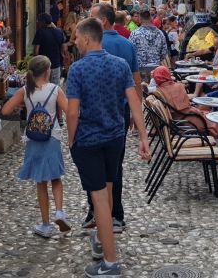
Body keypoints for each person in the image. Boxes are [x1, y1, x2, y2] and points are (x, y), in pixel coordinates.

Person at [67, 17, 151, 277]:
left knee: (100, 200)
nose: (75, 41)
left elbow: (72, 112)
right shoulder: (120, 65)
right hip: (115, 138)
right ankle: (105, 239)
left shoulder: (77, 70)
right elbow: (134, 101)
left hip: (90, 140)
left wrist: (71, 140)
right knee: (109, 190)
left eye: (76, 37)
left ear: (88, 38)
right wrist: (144, 137)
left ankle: (110, 262)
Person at [82, 3, 141, 233]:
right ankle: (116, 215)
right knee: (115, 166)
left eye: (91, 16)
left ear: (103, 21)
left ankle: (95, 211)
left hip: (94, 113)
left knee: (93, 165)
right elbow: (136, 82)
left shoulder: (89, 44)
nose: (88, 19)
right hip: (121, 113)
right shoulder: (127, 45)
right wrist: (138, 113)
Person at [1, 55, 72, 235]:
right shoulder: (55, 90)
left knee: (41, 181)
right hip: (52, 137)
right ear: (48, 72)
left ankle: (46, 225)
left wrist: (24, 106)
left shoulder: (25, 91)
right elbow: (69, 111)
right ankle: (60, 211)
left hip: (33, 139)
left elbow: (5, 110)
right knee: (56, 177)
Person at [151, 66, 218, 151]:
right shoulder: (178, 87)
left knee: (206, 114)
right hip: (187, 121)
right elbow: (185, 108)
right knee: (217, 124)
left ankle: (215, 149)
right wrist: (198, 111)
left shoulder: (158, 91)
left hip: (175, 121)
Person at [32, 13, 68, 85]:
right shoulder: (59, 31)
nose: (37, 23)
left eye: (39, 21)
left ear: (43, 22)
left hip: (43, 66)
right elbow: (64, 49)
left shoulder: (40, 32)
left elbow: (36, 51)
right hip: (56, 65)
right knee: (54, 88)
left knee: (42, 86)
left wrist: (34, 63)